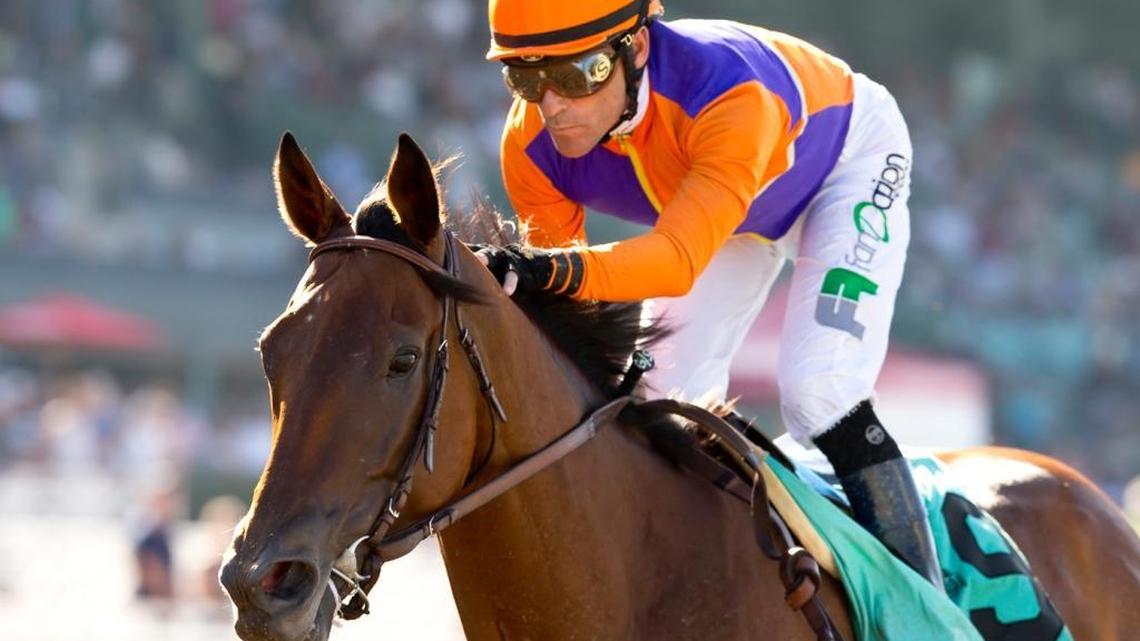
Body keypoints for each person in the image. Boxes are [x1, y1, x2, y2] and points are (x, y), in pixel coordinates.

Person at [477, 0, 942, 589]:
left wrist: (543, 271)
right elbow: (572, 315)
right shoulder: (528, 144)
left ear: (637, 47)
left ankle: (930, 612)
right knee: (660, 399)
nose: (554, 106)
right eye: (526, 78)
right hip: (726, 207)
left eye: (578, 75)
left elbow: (669, 263)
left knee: (819, 391)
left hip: (845, 165)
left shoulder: (729, 94)